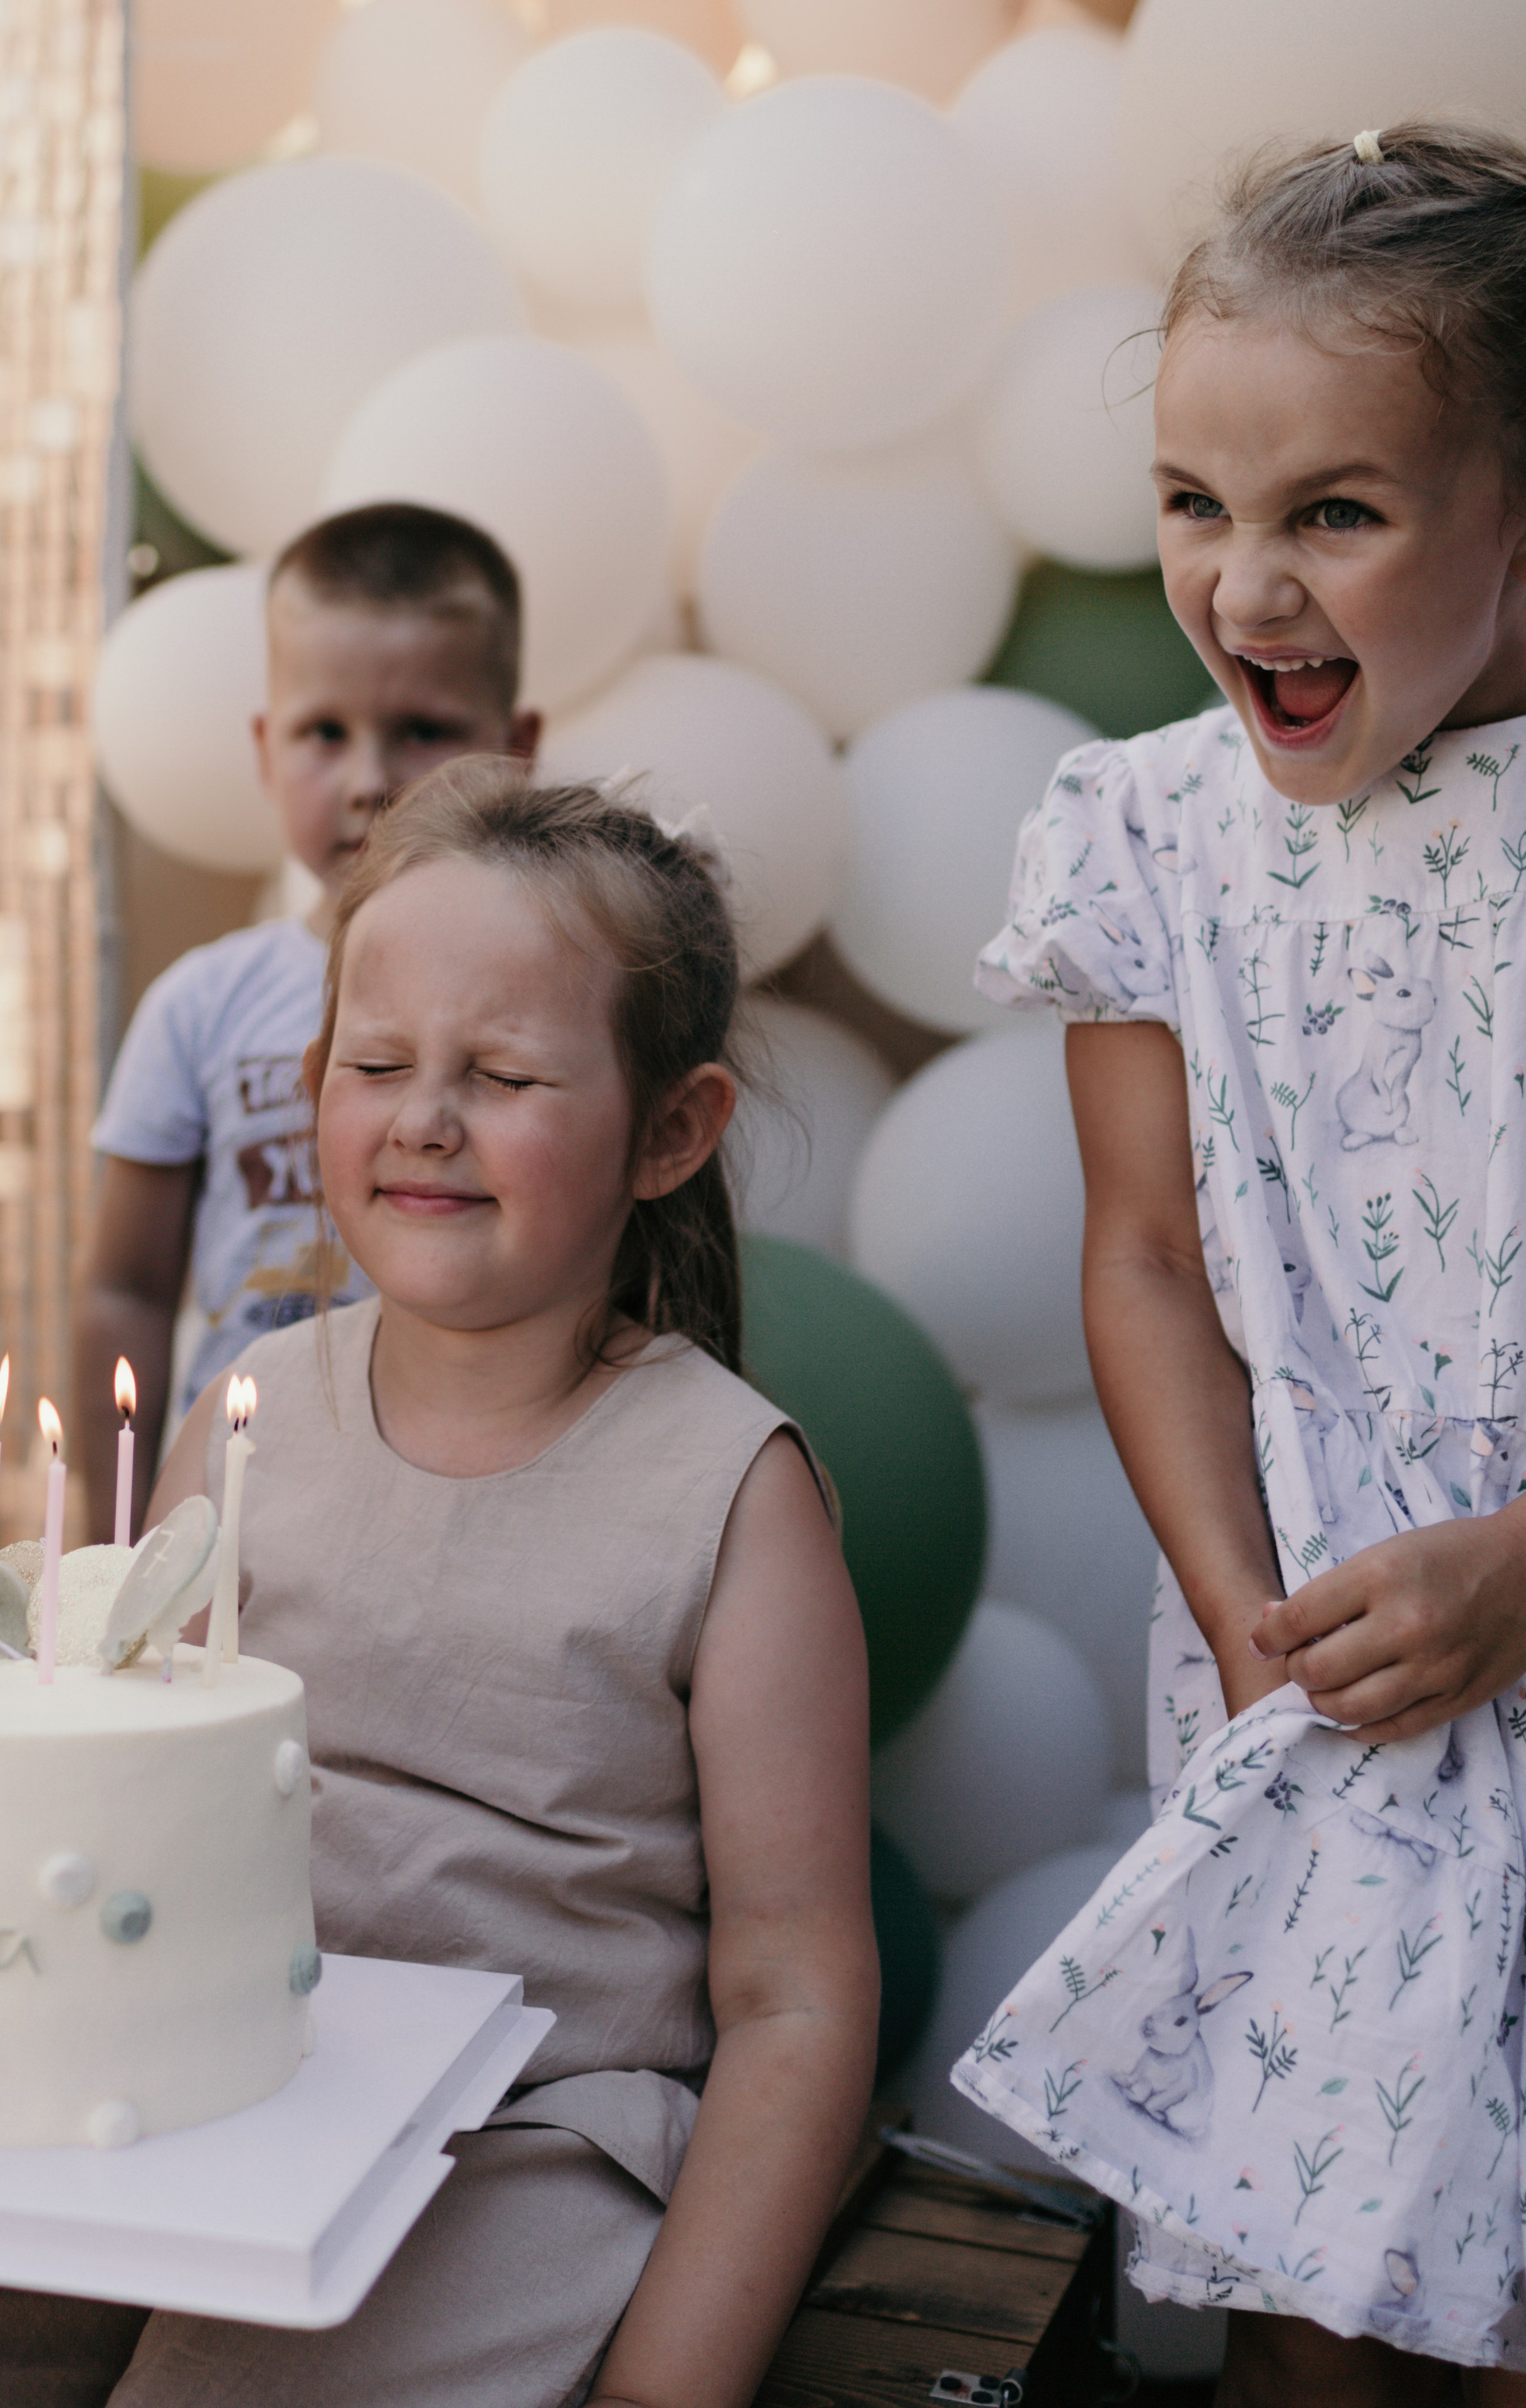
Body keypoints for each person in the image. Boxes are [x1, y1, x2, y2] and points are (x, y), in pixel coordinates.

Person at [0, 759, 874, 2408]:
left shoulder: (732, 1494)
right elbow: (137, 1776)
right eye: (377, 1064)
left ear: (672, 1130)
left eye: (502, 1072)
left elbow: (796, 1992)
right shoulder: (249, 1418)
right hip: (212, 2075)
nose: (425, 1116)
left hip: (521, 2135)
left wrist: (671, 2385)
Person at [954, 125, 1526, 2406]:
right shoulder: (1149, 834)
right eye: (1197, 503)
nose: (1248, 587)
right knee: (1327, 2312)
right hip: (1315, 1667)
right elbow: (1153, 1253)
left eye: (1337, 513)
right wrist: (1246, 1622)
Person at [76, 502, 540, 1542]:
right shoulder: (199, 1003)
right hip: (238, 1506)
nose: (370, 780)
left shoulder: (552, 1008)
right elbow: (126, 1284)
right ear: (263, 747)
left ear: (517, 749)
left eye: (423, 730)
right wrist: (109, 1537)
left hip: (475, 1501)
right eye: (323, 734)